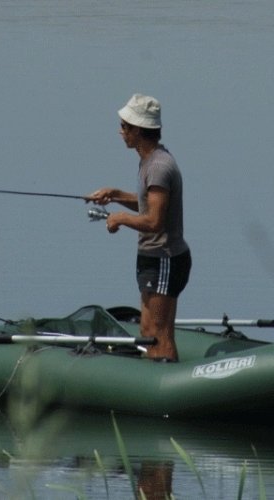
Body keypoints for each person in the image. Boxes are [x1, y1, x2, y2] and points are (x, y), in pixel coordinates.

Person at [86, 94, 191, 362]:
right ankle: (154, 377)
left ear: (138, 130)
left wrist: (119, 218)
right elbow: (148, 203)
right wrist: (116, 193)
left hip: (165, 258)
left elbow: (154, 221)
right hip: (151, 259)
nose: (121, 132)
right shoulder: (149, 161)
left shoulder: (158, 166)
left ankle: (168, 385)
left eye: (125, 127)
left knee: (159, 332)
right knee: (147, 330)